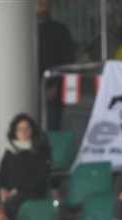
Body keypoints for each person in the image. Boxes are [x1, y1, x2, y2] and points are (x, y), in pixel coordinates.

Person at [0, 114, 51, 220]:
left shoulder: (40, 150)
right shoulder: (10, 151)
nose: (23, 132)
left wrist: (17, 190)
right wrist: (2, 189)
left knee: (11, 206)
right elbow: (1, 174)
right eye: (20, 129)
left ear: (32, 130)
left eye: (27, 128)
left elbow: (40, 178)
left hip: (32, 193)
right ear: (14, 132)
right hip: (11, 194)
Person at [37, 0, 75, 131]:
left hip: (51, 90)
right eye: (40, 3)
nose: (42, 6)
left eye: (45, 3)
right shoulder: (22, 31)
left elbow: (67, 60)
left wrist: (54, 85)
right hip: (31, 89)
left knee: (50, 128)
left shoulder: (59, 30)